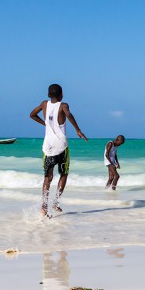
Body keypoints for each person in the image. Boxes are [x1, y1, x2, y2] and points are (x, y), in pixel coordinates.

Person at [30, 83, 88, 217]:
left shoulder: (44, 104)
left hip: (48, 147)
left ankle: (43, 207)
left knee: (47, 177)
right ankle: (55, 203)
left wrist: (45, 123)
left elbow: (32, 115)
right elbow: (69, 114)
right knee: (64, 174)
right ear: (61, 94)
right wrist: (78, 130)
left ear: (48, 95)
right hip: (61, 146)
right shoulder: (63, 105)